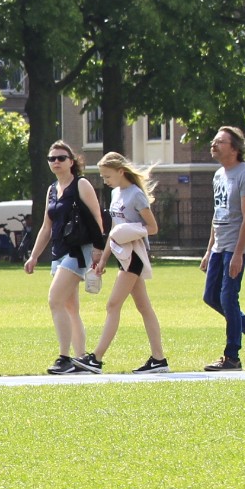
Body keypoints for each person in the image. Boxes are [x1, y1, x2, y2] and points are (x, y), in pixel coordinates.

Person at [22, 140, 105, 374]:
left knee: (54, 299)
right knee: (70, 307)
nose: (56, 162)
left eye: (61, 158)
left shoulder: (81, 184)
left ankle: (65, 357)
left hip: (80, 250)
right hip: (60, 251)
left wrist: (99, 250)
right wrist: (34, 256)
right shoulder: (51, 190)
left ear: (72, 162)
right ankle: (81, 359)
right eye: (52, 159)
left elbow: (97, 218)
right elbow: (46, 227)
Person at [84, 154, 168, 374]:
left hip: (135, 256)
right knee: (144, 307)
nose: (105, 180)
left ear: (121, 171)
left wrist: (130, 231)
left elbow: (153, 227)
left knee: (113, 305)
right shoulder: (115, 193)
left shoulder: (136, 195)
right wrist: (103, 259)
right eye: (103, 176)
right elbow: (114, 230)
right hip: (123, 255)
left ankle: (96, 358)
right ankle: (159, 359)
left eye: (107, 176)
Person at [202, 125, 245, 371]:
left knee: (229, 298)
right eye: (214, 140)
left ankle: (232, 357)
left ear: (235, 148)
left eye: (220, 141)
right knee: (211, 297)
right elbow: (216, 215)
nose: (214, 144)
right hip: (220, 246)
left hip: (236, 246)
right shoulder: (218, 174)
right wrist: (209, 250)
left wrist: (239, 253)